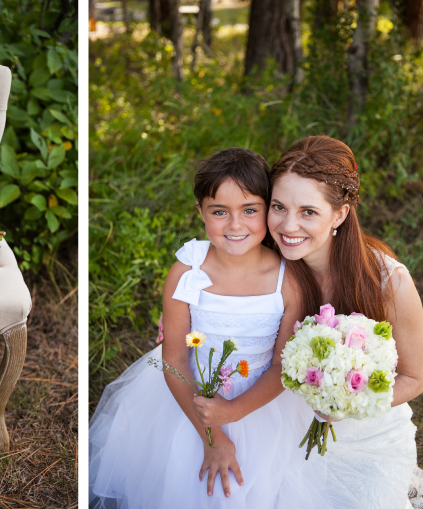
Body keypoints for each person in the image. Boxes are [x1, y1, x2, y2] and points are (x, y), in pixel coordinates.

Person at [89, 148, 328, 508]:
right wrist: (213, 436)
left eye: (250, 210)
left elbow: (282, 365)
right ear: (200, 211)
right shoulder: (187, 272)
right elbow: (174, 360)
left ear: (269, 209)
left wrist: (231, 412)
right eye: (220, 212)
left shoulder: (288, 280)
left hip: (262, 404)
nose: (235, 225)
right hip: (188, 398)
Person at [265, 135, 423, 508]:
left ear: (340, 212)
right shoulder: (265, 265)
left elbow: (415, 377)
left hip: (367, 436)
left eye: (308, 211)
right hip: (278, 424)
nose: (288, 225)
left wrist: (349, 401)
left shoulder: (389, 282)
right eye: (278, 206)